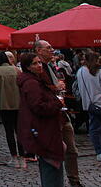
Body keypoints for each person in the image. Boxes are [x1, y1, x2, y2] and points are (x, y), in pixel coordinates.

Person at [35, 40, 82, 186]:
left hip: (62, 112)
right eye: (48, 48)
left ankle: (74, 179)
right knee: (56, 151)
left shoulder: (51, 66)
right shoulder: (37, 69)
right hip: (51, 115)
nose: (52, 50)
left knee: (72, 150)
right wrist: (55, 87)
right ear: (39, 50)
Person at [18, 53, 69, 187]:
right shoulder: (31, 83)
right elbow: (38, 107)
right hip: (43, 130)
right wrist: (57, 103)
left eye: (39, 62)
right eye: (35, 63)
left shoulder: (35, 80)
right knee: (50, 165)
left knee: (52, 163)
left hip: (45, 128)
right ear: (27, 67)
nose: (39, 65)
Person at [0, 51, 24, 168]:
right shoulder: (17, 70)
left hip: (4, 104)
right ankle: (23, 158)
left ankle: (14, 158)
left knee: (9, 132)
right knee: (20, 132)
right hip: (19, 104)